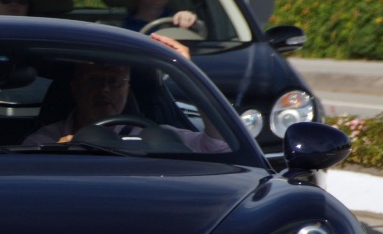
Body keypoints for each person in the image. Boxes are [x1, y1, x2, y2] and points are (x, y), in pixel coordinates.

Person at [23, 38, 229, 153]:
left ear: (127, 87)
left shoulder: (155, 136)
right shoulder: (45, 140)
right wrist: (53, 154)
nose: (104, 90)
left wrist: (189, 74)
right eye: (94, 80)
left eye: (114, 81)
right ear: (75, 88)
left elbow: (219, 145)